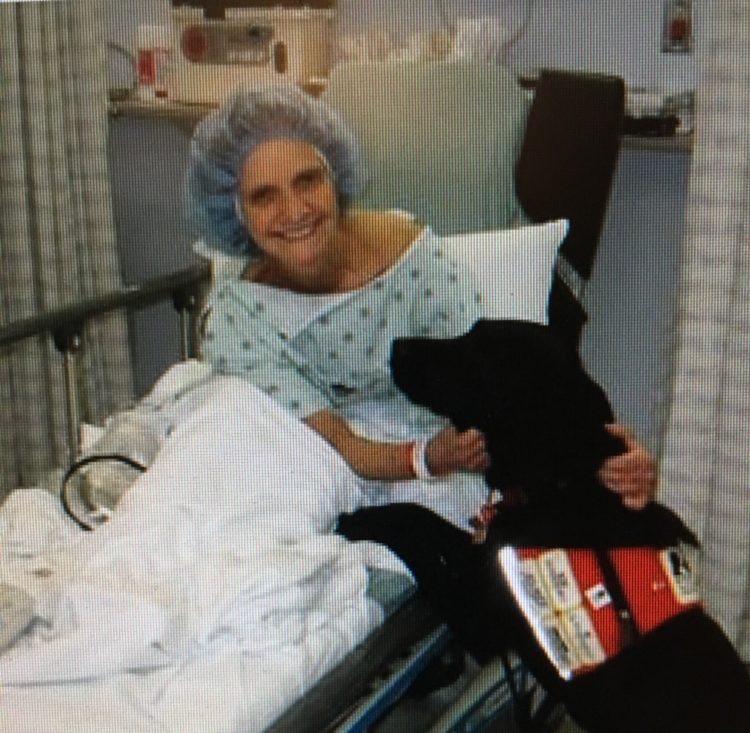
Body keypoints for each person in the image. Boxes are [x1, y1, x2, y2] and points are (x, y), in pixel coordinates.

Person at [184, 81, 656, 529]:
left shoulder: (413, 261)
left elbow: (499, 391)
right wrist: (419, 459)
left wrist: (608, 453)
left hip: (429, 460)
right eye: (263, 196)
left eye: (307, 180)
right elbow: (341, 447)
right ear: (236, 212)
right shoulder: (240, 317)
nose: (294, 210)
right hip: (308, 459)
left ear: (334, 177)